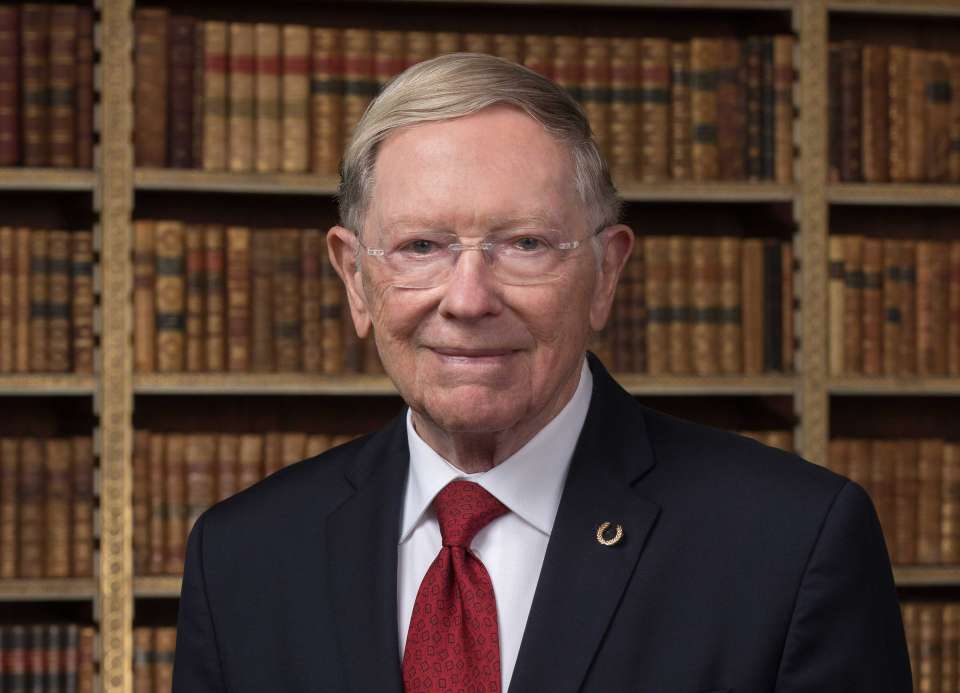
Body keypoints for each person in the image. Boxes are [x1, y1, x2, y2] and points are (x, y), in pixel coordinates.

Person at [173, 53, 912, 693]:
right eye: (421, 245)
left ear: (605, 273)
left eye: (524, 243)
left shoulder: (792, 543)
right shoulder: (242, 557)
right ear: (355, 279)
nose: (467, 299)